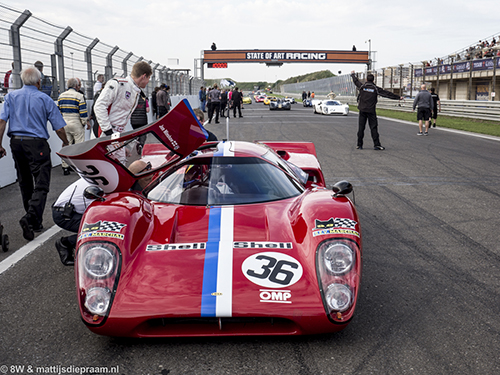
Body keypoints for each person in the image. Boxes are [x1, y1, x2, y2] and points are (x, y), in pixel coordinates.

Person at [0, 66, 69, 241]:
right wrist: (66, 142)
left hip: (16, 142)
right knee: (41, 182)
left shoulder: (10, 97)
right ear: (38, 82)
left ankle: (34, 221)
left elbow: (1, 122)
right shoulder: (44, 98)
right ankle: (30, 218)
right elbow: (59, 127)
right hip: (37, 144)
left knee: (24, 181)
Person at [93, 61, 152, 137]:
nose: (148, 82)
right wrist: (108, 132)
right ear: (144, 76)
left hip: (119, 132)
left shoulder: (136, 91)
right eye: (149, 78)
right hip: (105, 132)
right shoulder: (117, 84)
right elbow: (99, 106)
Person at [351, 71, 402, 150]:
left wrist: (353, 75)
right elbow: (387, 94)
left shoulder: (362, 87)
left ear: (366, 79)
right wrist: (398, 97)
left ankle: (359, 144)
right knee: (373, 128)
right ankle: (376, 144)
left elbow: (356, 81)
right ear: (373, 80)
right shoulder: (375, 88)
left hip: (362, 110)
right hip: (371, 111)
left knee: (361, 128)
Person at [52, 178, 95, 265]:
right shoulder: (108, 185)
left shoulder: (106, 179)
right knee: (102, 230)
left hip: (68, 211)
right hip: (64, 214)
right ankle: (65, 243)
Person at [58, 77, 89, 175]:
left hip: (64, 122)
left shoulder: (61, 96)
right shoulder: (79, 96)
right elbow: (83, 112)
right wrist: (84, 122)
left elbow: (58, 111)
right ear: (76, 86)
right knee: (79, 146)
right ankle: (79, 168)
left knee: (66, 145)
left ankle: (65, 167)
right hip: (76, 122)